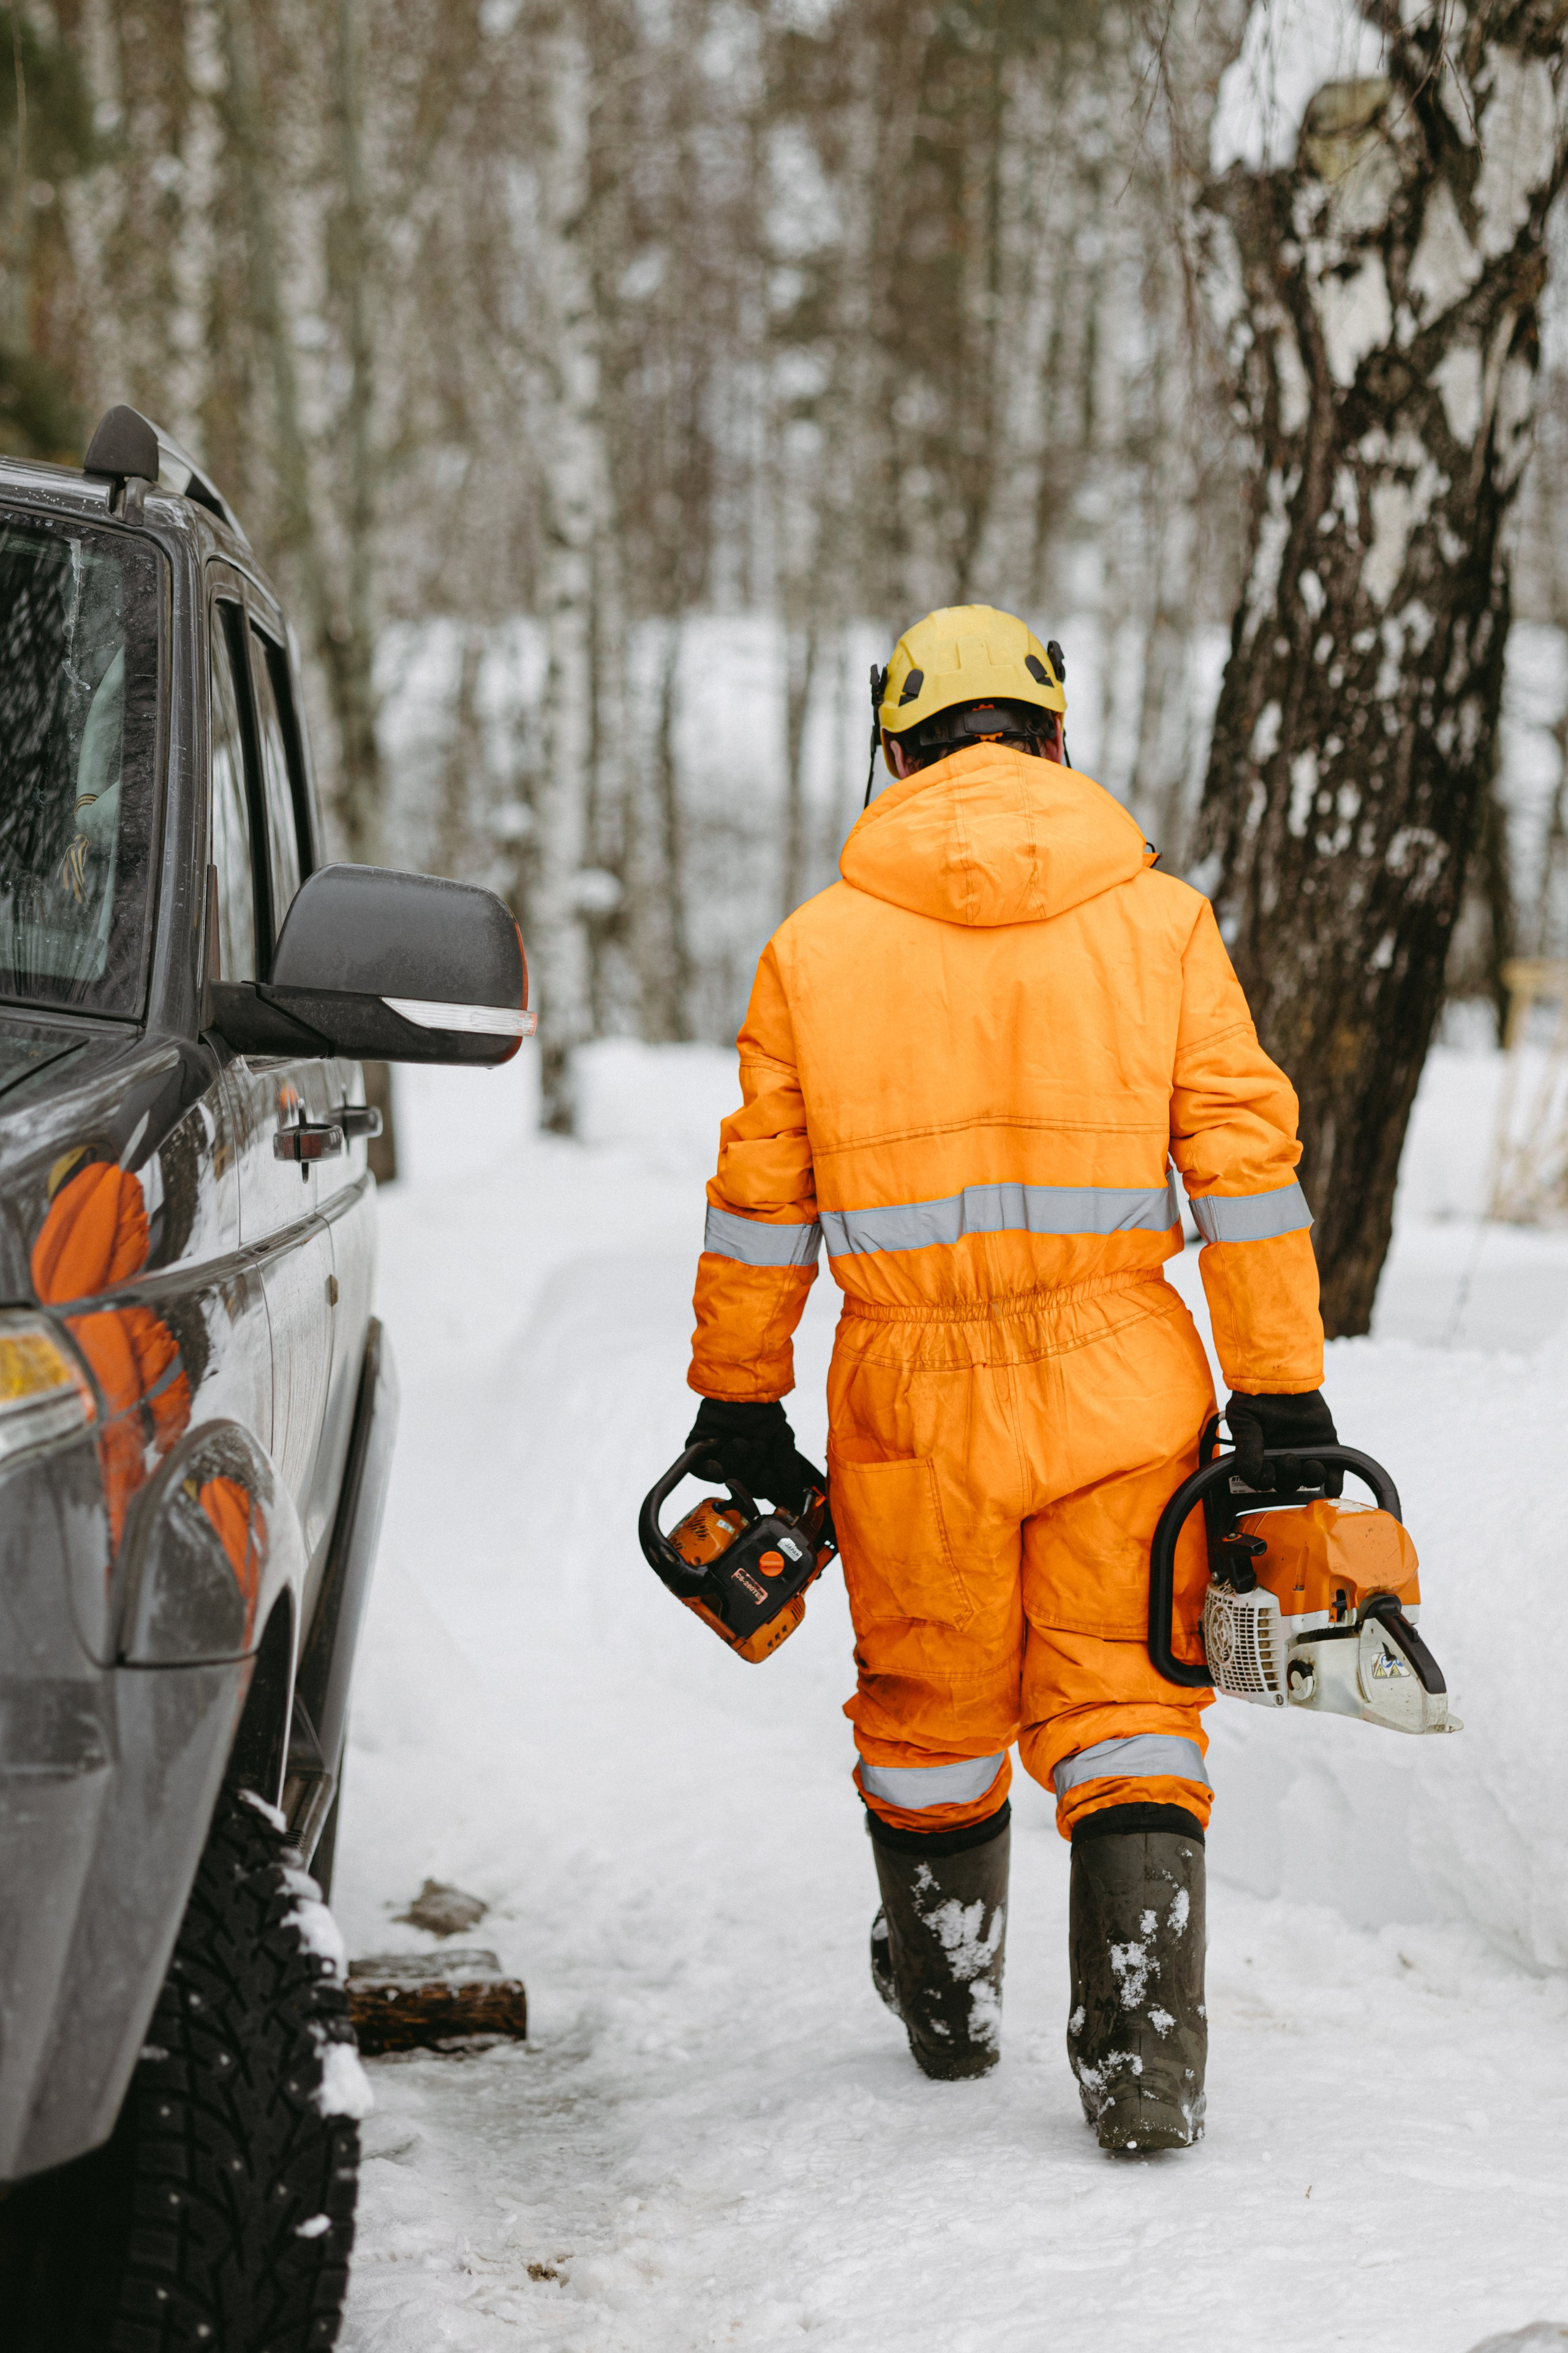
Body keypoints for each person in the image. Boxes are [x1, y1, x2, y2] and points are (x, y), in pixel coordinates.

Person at [680, 603, 1332, 2151]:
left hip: (908, 1398)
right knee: (1127, 1707)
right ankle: (1143, 2065)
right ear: (1051, 736)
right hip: (1125, 1371)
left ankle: (945, 2001)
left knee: (930, 1709)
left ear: (893, 749)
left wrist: (736, 1395)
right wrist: (1282, 1394)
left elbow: (758, 1197)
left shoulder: (815, 947)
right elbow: (1244, 1167)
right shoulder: (1160, 923)